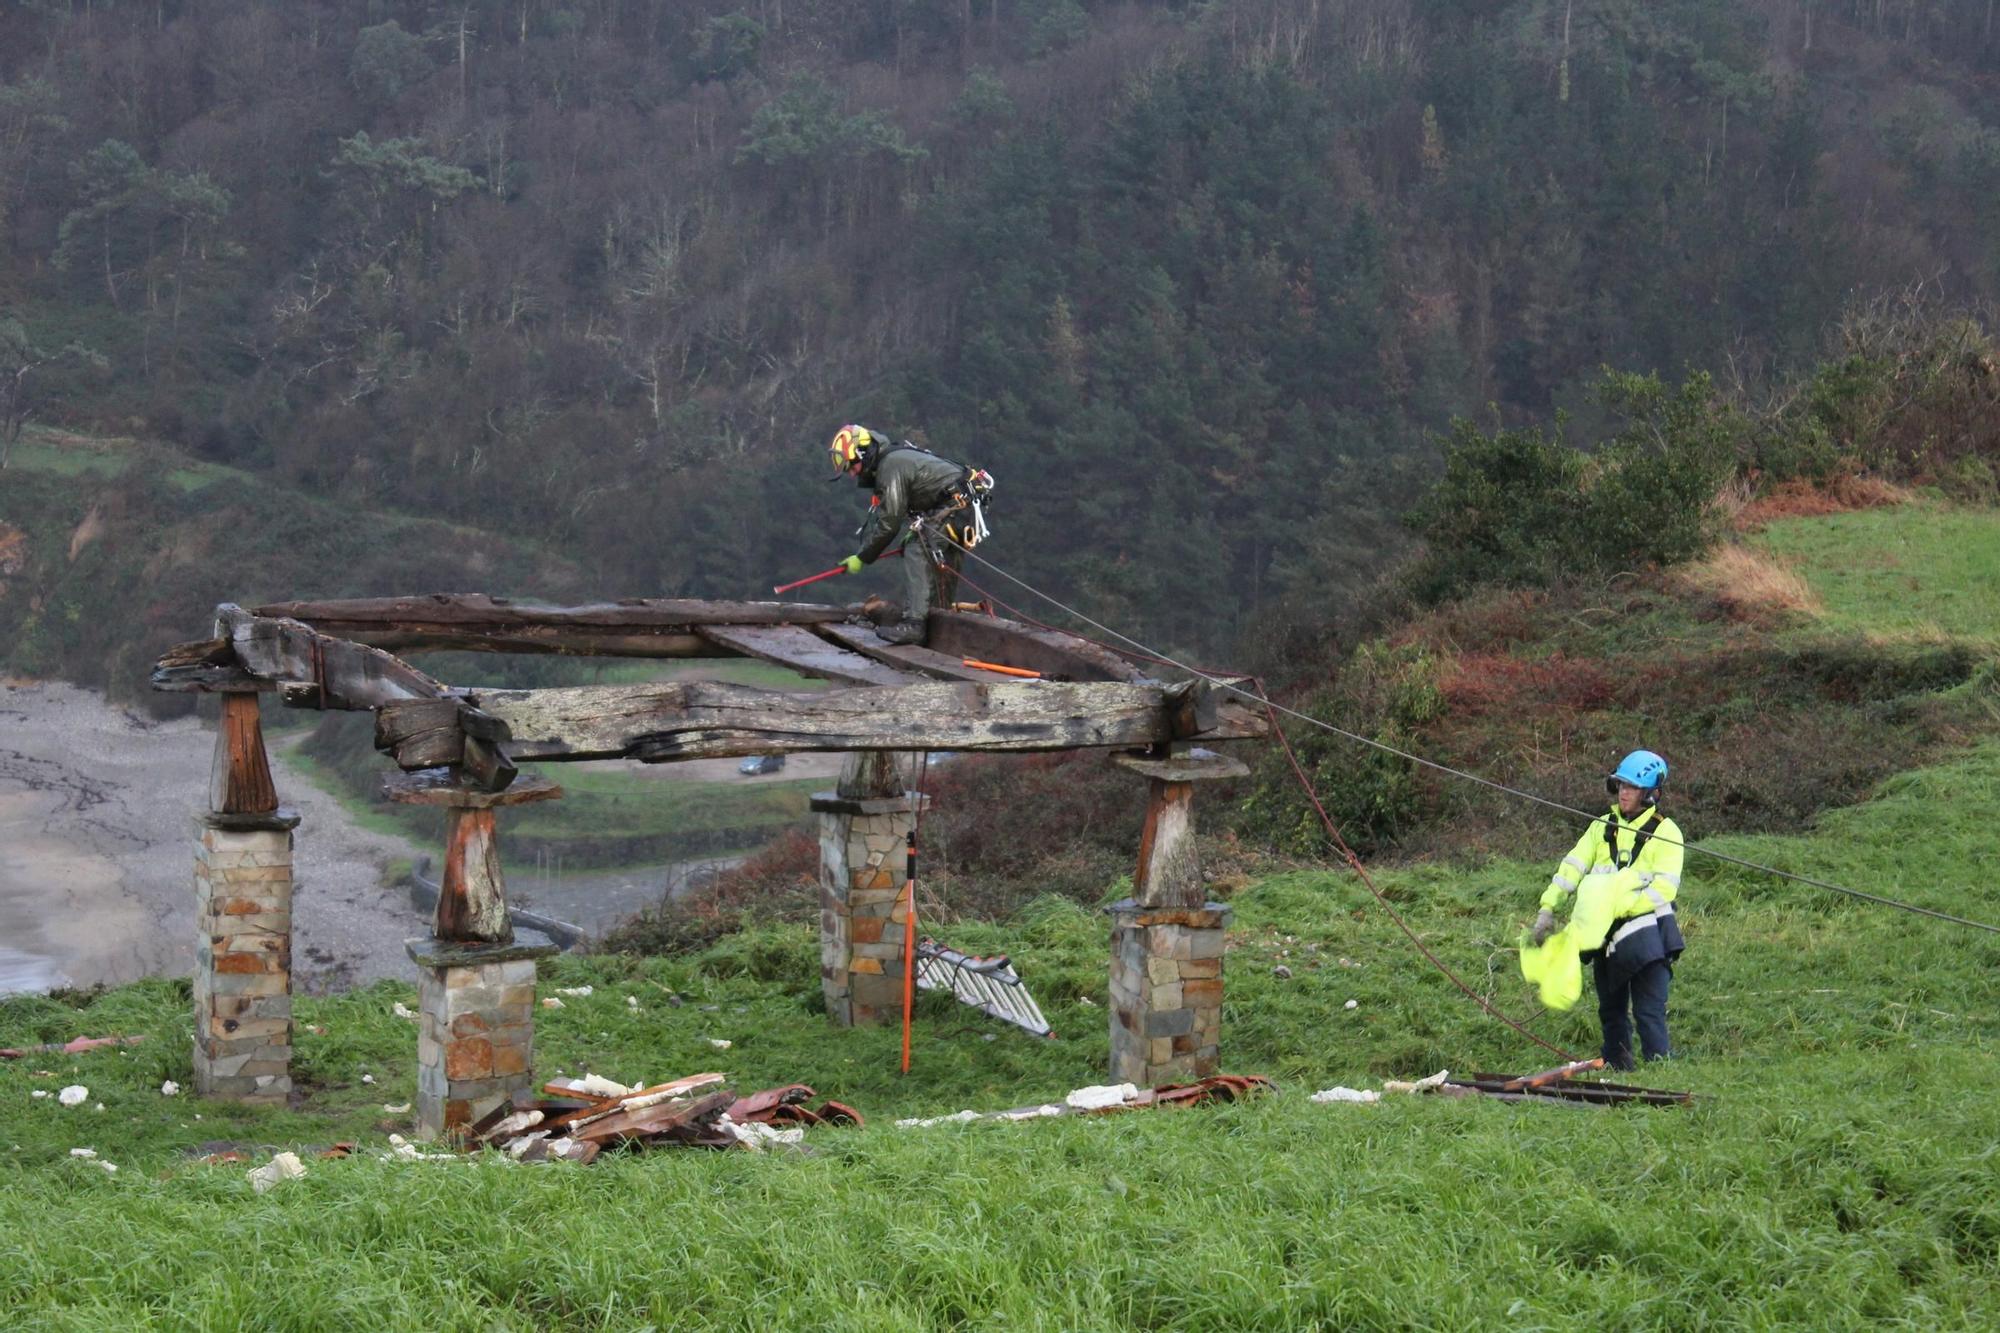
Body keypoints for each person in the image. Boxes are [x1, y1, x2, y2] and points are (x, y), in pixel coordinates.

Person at [1520, 749, 1686, 1069]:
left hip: (1647, 933)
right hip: (1604, 935)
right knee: (1610, 1009)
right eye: (1620, 785)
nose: (1624, 792)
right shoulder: (1601, 827)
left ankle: (1661, 1073)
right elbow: (1571, 868)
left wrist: (1617, 904)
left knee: (1648, 1010)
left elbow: (1664, 889)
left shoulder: (1667, 832)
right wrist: (1547, 908)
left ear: (1651, 794)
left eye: (1632, 788)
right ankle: (1617, 1068)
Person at [827, 424, 991, 645]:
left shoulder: (890, 467)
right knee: (936, 557)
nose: (852, 473)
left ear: (864, 454)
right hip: (963, 504)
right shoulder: (893, 460)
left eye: (852, 466)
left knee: (917, 549)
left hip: (956, 505)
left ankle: (915, 625)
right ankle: (940, 618)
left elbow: (888, 524)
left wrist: (862, 557)